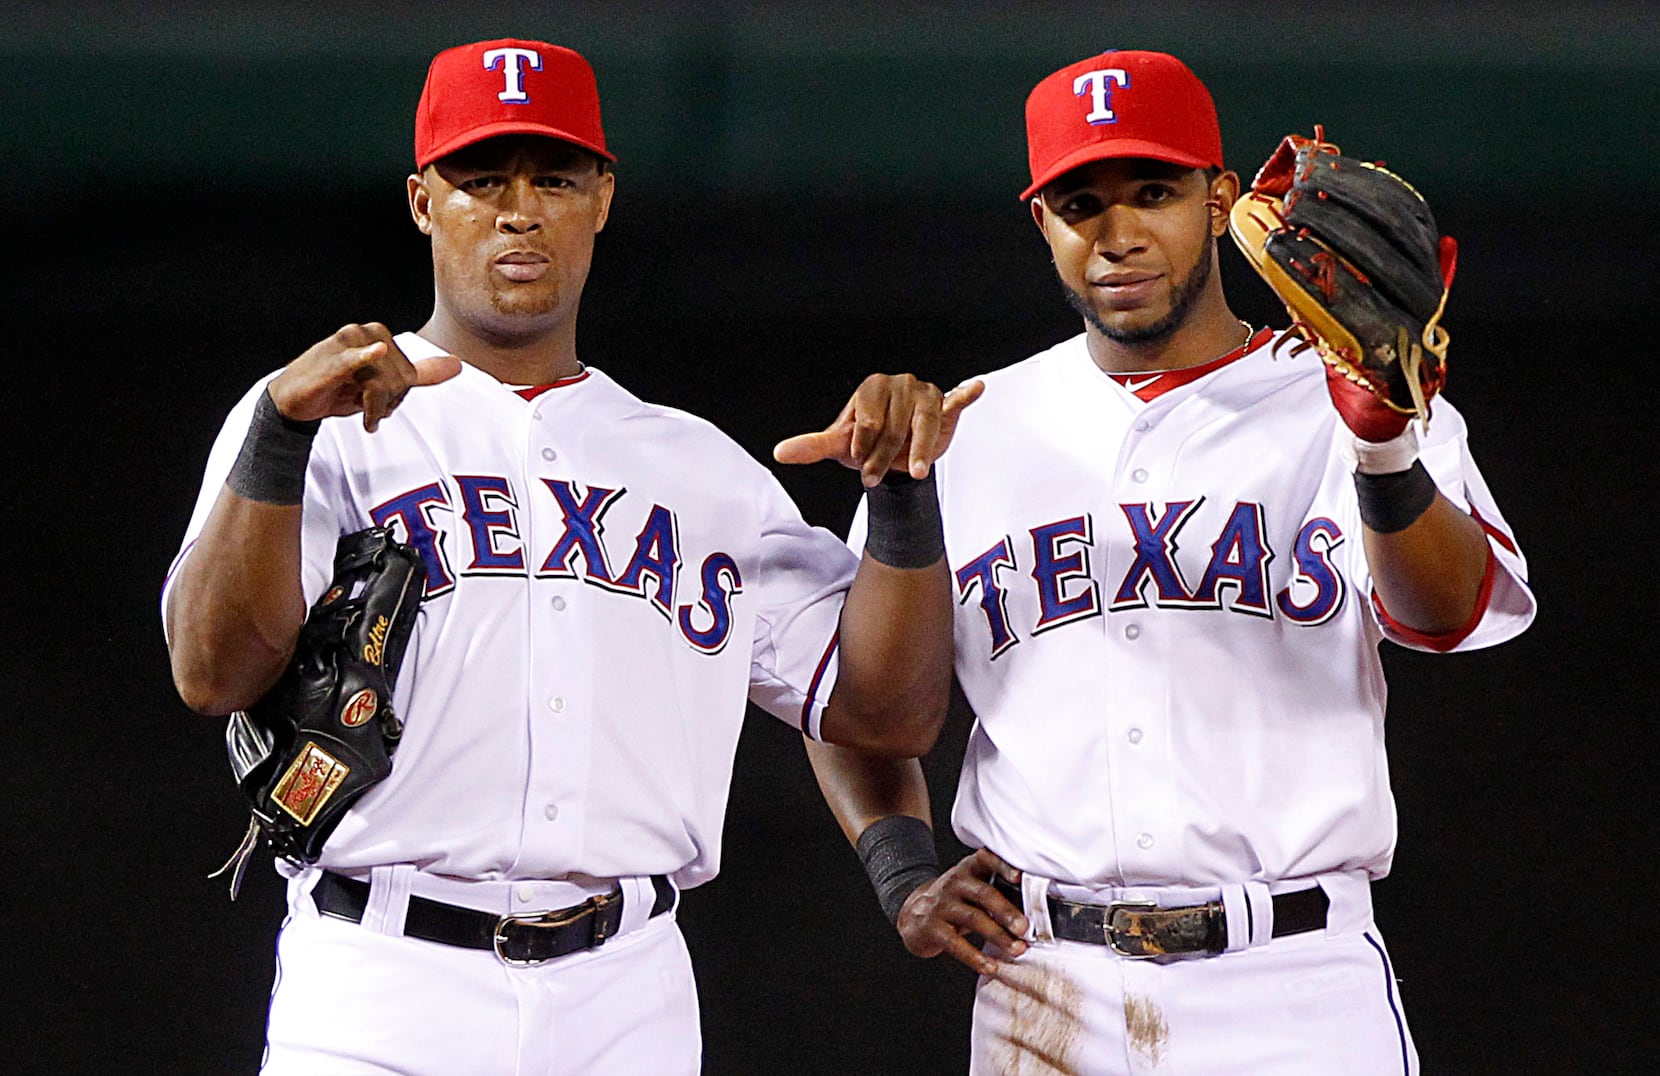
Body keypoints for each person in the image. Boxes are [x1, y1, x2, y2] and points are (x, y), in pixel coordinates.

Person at [163, 38, 977, 1075]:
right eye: (478, 179)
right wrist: (279, 434)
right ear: (422, 201)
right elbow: (210, 672)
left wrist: (902, 499)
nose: (517, 209)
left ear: (600, 197)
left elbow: (886, 713)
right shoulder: (320, 412)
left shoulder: (696, 468)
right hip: (378, 978)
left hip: (622, 990)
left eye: (552, 177)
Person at [808, 49, 1535, 1074]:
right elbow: (846, 705)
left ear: (1221, 198)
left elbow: (1450, 610)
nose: (1116, 234)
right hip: (1047, 981)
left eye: (1153, 192)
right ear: (1042, 223)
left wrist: (1381, 443)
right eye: (1079, 202)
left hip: (1295, 982)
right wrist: (899, 873)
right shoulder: (969, 427)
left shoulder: (1345, 393)